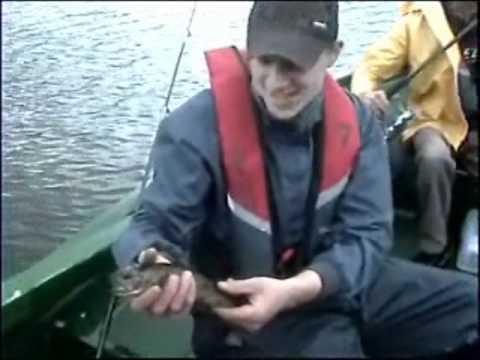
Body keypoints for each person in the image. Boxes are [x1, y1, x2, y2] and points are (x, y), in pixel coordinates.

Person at [112, 2, 478, 357]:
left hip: (343, 286)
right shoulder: (192, 127)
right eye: (265, 60)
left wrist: (304, 287)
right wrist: (150, 256)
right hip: (246, 313)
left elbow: (367, 233)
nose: (274, 82)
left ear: (333, 54)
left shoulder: (358, 123)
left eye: (294, 65)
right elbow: (152, 224)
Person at [351, 1, 478, 266]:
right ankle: (435, 248)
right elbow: (371, 67)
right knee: (434, 158)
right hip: (438, 120)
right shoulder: (418, 21)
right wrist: (365, 93)